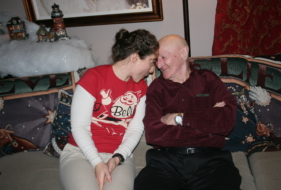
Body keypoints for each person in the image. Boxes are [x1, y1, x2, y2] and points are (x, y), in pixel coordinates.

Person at [134, 34, 242, 190]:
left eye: (163, 57)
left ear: (184, 53)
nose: (159, 64)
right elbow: (154, 134)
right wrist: (209, 128)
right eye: (157, 59)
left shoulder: (208, 80)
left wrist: (179, 118)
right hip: (165, 163)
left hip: (211, 163)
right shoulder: (157, 88)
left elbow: (226, 121)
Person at [59, 28, 159, 190]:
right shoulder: (93, 77)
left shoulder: (142, 88)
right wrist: (97, 163)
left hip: (119, 158)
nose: (152, 70)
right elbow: (79, 126)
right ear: (135, 57)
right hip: (80, 153)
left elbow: (135, 129)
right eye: (152, 62)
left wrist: (117, 158)